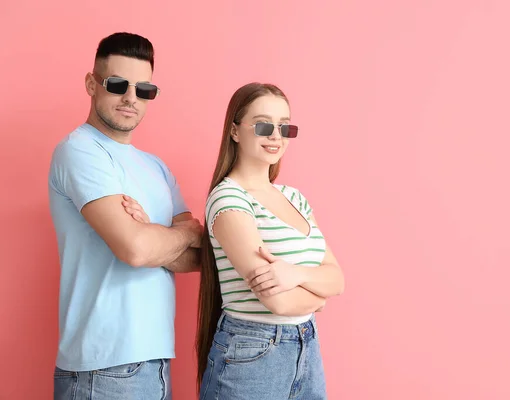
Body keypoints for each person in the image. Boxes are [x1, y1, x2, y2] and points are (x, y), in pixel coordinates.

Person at [48, 32, 202, 400]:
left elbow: (199, 259)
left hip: (155, 362)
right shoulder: (80, 151)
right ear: (92, 83)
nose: (131, 98)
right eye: (118, 85)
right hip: (101, 369)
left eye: (144, 89)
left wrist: (152, 234)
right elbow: (135, 250)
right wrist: (184, 231)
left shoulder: (157, 168)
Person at [196, 82, 345, 400]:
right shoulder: (228, 198)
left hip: (306, 345)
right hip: (252, 350)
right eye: (263, 124)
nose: (276, 136)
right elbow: (278, 302)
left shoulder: (294, 198)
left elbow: (338, 278)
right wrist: (318, 299)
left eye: (284, 127)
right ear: (235, 131)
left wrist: (296, 275)